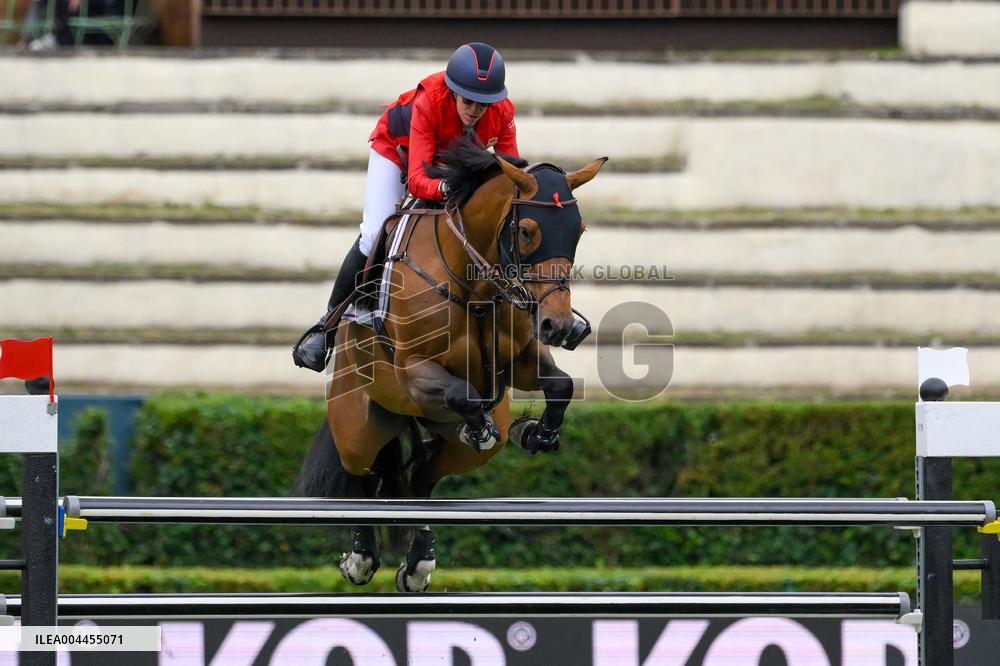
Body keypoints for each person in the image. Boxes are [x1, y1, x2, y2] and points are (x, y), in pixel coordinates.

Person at [292, 42, 519, 372]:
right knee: (374, 232)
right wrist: (445, 187)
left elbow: (509, 169)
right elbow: (416, 178)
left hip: (450, 165)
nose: (474, 109)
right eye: (467, 100)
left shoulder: (502, 111)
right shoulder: (429, 102)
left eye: (483, 103)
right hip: (398, 155)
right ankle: (326, 329)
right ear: (453, 92)